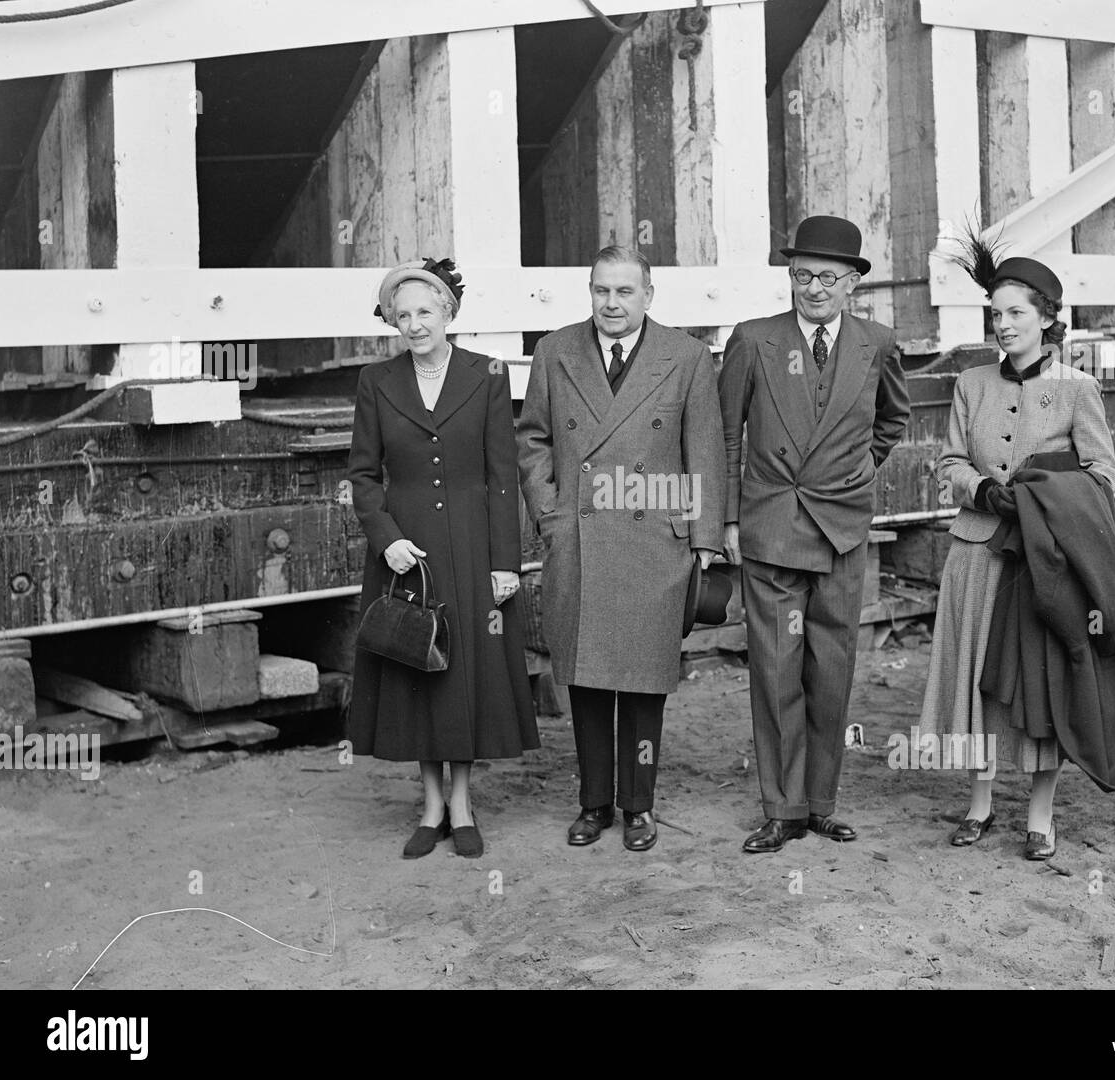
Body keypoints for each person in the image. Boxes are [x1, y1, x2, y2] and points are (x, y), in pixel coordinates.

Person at [916, 241, 1115, 860]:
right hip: (976, 554)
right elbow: (948, 461)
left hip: (1043, 564)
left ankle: (1039, 817)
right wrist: (980, 488)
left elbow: (1105, 475)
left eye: (1015, 315)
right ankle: (979, 804)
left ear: (1047, 317)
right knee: (977, 679)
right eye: (995, 315)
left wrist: (1043, 497)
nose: (1003, 326)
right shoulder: (971, 383)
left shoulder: (1078, 388)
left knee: (1039, 682)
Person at [516, 245, 724, 852]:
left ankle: (639, 806)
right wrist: (552, 518)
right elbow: (533, 440)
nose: (611, 303)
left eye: (624, 292)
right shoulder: (556, 350)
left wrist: (704, 537)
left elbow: (704, 451)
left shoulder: (685, 355)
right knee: (583, 680)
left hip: (654, 541)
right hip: (578, 538)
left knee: (641, 684)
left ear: (648, 296)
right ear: (590, 292)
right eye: (601, 291)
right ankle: (593, 804)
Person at [718, 216, 911, 854]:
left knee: (832, 670)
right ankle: (783, 808)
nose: (814, 289)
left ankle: (822, 803)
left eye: (829, 277)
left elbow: (892, 419)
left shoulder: (877, 344)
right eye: (802, 275)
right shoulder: (753, 340)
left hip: (842, 527)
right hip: (771, 527)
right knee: (775, 671)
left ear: (853, 282)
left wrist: (855, 472)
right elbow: (725, 436)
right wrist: (726, 520)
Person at [348, 257, 539, 861]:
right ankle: (429, 805)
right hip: (407, 555)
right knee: (415, 671)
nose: (414, 324)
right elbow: (362, 475)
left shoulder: (486, 374)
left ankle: (462, 804)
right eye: (402, 315)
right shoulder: (376, 381)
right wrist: (387, 538)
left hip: (473, 547)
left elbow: (502, 474)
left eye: (424, 311)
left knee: (464, 674)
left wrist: (506, 562)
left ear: (449, 313)